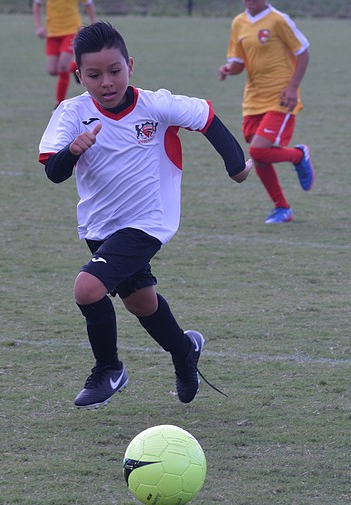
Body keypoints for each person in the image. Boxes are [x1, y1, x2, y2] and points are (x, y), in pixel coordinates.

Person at [38, 22, 252, 409]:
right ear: (78, 75)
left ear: (130, 65)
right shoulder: (71, 113)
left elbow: (206, 117)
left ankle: (108, 369)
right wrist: (72, 150)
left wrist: (236, 166)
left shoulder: (156, 105)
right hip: (99, 226)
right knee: (141, 303)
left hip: (149, 221)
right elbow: (53, 172)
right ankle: (184, 349)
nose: (106, 81)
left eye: (115, 71)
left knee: (87, 288)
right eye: (94, 74)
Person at [218, 0, 315, 224]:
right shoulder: (238, 23)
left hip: (280, 98)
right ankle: (282, 208)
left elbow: (303, 53)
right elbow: (238, 63)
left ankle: (299, 155)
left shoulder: (279, 20)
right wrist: (228, 69)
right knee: (260, 158)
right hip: (253, 99)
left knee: (258, 151)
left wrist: (292, 87)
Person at [33, 0, 97, 106]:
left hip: (71, 31)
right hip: (52, 32)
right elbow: (37, 4)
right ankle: (76, 67)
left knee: (63, 67)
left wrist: (94, 25)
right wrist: (38, 27)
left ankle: (58, 103)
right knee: (52, 70)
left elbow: (88, 4)